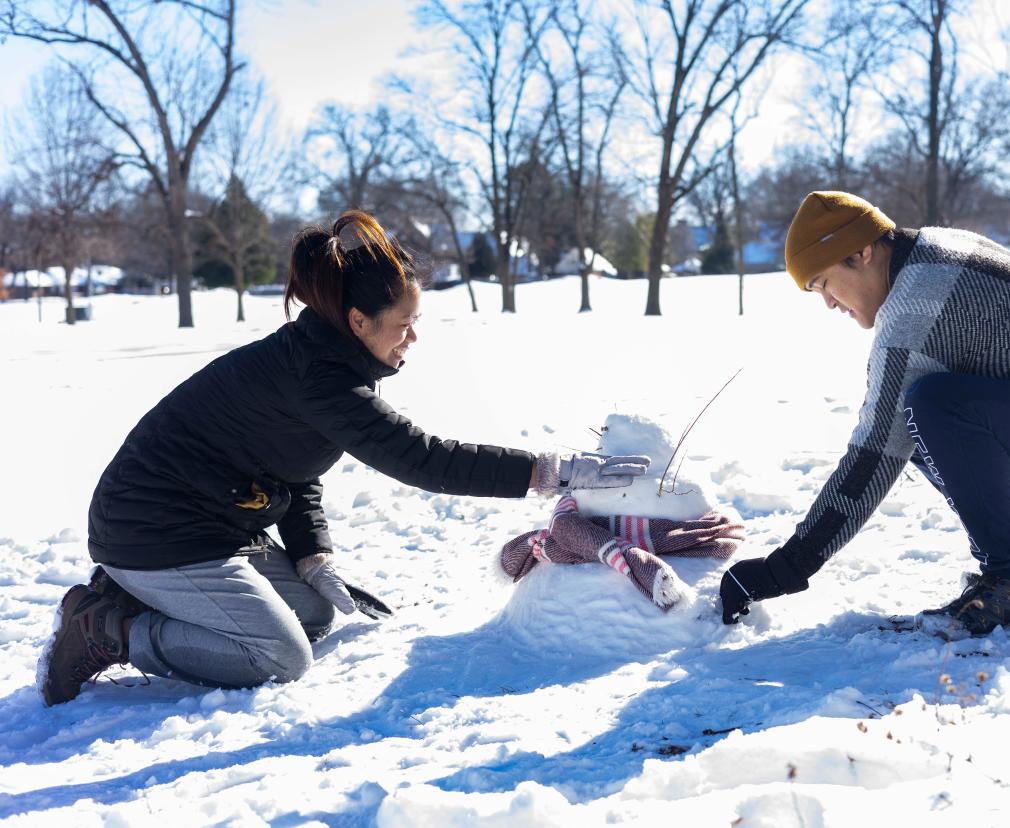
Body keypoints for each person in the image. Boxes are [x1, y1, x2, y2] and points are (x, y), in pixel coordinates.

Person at [41, 210, 649, 705]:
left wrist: (310, 555)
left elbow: (293, 470)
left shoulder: (326, 358)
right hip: (151, 531)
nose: (413, 338)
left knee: (310, 612)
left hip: (213, 523)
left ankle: (138, 599)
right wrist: (551, 472)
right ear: (358, 320)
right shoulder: (319, 377)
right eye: (404, 325)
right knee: (278, 657)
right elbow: (423, 460)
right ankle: (109, 628)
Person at [718, 192, 1010, 637]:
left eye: (823, 283)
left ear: (862, 252)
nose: (828, 303)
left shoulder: (913, 309)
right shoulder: (934, 250)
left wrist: (783, 569)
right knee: (918, 412)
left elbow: (872, 458)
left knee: (931, 405)